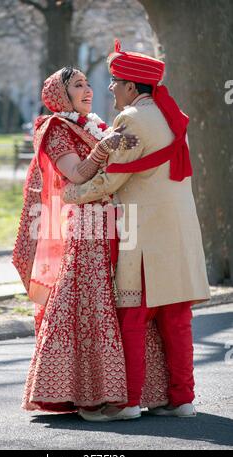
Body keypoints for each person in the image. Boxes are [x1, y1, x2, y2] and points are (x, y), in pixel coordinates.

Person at [62, 41, 211, 421]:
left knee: (133, 316)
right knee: (176, 319)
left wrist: (72, 194)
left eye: (115, 81)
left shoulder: (131, 118)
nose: (109, 87)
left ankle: (126, 402)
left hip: (144, 232)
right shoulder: (171, 114)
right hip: (179, 230)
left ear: (132, 87)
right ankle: (182, 400)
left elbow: (114, 178)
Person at [12, 66, 169, 417]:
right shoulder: (54, 129)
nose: (88, 90)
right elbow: (76, 173)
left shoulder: (92, 125)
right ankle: (88, 395)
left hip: (114, 219)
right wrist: (105, 149)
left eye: (87, 84)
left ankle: (137, 391)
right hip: (85, 225)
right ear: (59, 95)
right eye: (77, 85)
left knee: (123, 302)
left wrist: (118, 146)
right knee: (90, 304)